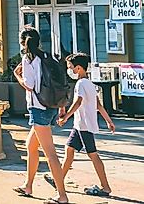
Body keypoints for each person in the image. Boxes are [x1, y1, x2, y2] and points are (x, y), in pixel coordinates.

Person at [13, 27, 69, 203]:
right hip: (51, 105)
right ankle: (28, 185)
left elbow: (29, 85)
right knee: (31, 146)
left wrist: (17, 76)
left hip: (38, 108)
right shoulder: (46, 57)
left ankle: (62, 195)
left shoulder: (28, 59)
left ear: (23, 43)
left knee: (50, 153)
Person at [51, 52, 115, 198]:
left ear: (79, 68)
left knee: (93, 154)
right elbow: (98, 104)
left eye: (71, 67)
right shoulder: (90, 84)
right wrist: (109, 121)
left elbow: (78, 102)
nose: (70, 70)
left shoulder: (80, 84)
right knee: (69, 150)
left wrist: (65, 117)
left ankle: (106, 188)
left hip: (83, 125)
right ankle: (58, 179)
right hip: (80, 125)